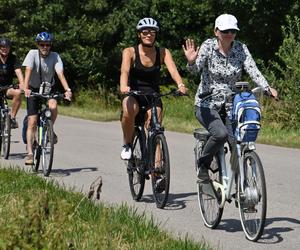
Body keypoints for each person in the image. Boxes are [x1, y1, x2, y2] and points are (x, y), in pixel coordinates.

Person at [183, 14, 278, 180]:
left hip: (231, 104)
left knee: (237, 144)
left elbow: (253, 70)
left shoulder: (241, 48)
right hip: (207, 103)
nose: (229, 34)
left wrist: (267, 87)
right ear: (216, 31)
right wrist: (191, 61)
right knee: (220, 134)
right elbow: (194, 71)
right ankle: (203, 164)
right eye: (226, 30)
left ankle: (241, 187)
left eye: (233, 31)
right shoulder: (208, 46)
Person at [120, 17, 187, 160]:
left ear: (156, 34)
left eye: (152, 32)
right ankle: (127, 144)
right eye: (145, 32)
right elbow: (124, 71)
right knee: (127, 110)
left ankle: (158, 170)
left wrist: (180, 85)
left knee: (155, 129)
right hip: (134, 93)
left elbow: (174, 71)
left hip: (153, 96)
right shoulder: (130, 52)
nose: (148, 35)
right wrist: (124, 86)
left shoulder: (163, 52)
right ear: (139, 34)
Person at [22, 32, 72, 165]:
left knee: (53, 106)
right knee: (32, 121)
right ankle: (30, 154)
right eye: (42, 44)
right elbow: (28, 70)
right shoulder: (32, 54)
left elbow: (60, 74)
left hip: (49, 88)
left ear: (50, 45)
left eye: (47, 45)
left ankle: (49, 129)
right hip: (33, 89)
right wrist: (25, 88)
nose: (45, 47)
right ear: (38, 45)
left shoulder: (55, 56)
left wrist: (67, 90)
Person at [0, 37, 24, 128]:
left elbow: (18, 71)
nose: (4, 49)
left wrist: (22, 84)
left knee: (17, 93)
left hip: (7, 88)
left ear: (10, 48)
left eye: (7, 47)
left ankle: (12, 119)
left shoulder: (13, 58)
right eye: (2, 46)